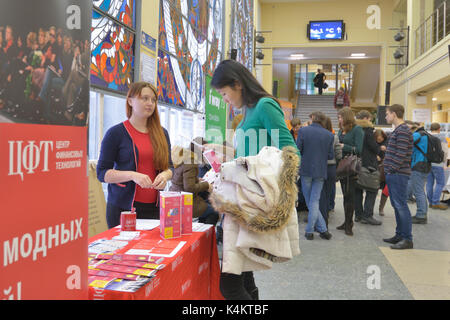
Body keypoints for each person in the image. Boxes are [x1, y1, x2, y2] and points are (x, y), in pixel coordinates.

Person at [208, 59, 299, 300]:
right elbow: (248, 155)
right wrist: (225, 153)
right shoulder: (248, 112)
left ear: (237, 84)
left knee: (230, 285)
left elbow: (290, 151)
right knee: (244, 276)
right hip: (241, 200)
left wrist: (278, 197)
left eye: (224, 93)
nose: (225, 100)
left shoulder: (265, 106)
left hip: (252, 201)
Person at [97, 82, 173, 228]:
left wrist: (165, 175)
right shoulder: (116, 133)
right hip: (123, 209)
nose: (150, 103)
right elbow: (102, 173)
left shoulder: (162, 133)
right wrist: (132, 175)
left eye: (153, 100)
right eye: (144, 98)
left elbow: (170, 167)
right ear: (130, 101)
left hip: (155, 209)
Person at [297, 111, 334, 240]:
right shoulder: (329, 135)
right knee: (315, 201)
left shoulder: (303, 131)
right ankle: (323, 230)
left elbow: (298, 149)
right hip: (320, 171)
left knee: (310, 201)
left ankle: (309, 231)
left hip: (306, 170)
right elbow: (330, 156)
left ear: (313, 118)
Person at [383, 104, 414, 250]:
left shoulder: (402, 131)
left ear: (394, 114)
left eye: (387, 114)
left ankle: (407, 238)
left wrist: (391, 169)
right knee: (397, 205)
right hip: (395, 173)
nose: (386, 116)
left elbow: (401, 154)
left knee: (401, 205)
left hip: (398, 174)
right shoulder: (400, 130)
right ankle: (400, 234)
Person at [170, 145, 219, 225]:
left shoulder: (180, 160)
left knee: (206, 206)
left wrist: (196, 180)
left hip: (176, 199)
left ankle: (201, 230)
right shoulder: (190, 162)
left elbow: (182, 179)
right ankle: (204, 233)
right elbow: (189, 187)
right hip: (187, 203)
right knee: (214, 212)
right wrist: (206, 185)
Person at [336, 107, 364, 236]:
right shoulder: (341, 130)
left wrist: (343, 146)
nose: (339, 119)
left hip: (351, 167)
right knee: (346, 195)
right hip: (342, 167)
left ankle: (349, 225)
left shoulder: (357, 130)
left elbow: (358, 149)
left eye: (341, 117)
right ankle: (346, 221)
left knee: (350, 196)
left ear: (346, 117)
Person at [406, 122, 430, 224]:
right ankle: (423, 213)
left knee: (418, 191)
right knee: (420, 190)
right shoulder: (426, 135)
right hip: (426, 164)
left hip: (418, 164)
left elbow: (406, 143)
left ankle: (421, 215)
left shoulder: (417, 135)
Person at [318, 116, 341, 226]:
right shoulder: (334, 136)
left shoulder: (317, 136)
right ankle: (325, 216)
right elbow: (338, 154)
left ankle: (321, 219)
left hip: (319, 167)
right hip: (331, 167)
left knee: (319, 194)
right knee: (327, 194)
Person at [426, 123, 448, 210]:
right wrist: (444, 162)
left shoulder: (426, 137)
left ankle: (431, 202)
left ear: (430, 129)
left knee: (429, 183)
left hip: (428, 163)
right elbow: (445, 151)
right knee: (440, 183)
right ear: (439, 129)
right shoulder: (442, 137)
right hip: (438, 164)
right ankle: (435, 202)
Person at [374, 129, 389, 216]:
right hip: (376, 167)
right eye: (378, 139)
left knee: (386, 190)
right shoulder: (372, 142)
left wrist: (386, 150)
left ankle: (381, 208)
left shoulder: (388, 142)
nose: (379, 141)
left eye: (381, 139)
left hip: (386, 168)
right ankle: (370, 208)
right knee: (374, 187)